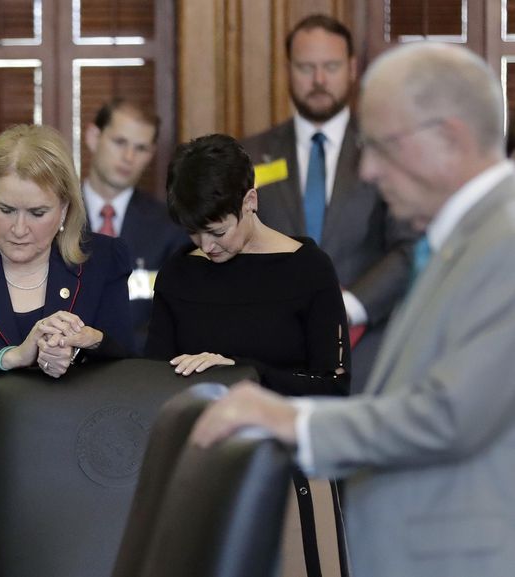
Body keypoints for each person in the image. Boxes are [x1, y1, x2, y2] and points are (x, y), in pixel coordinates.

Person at [191, 42, 515, 577]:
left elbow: (448, 415)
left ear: (449, 137)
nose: (366, 170)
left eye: (381, 146)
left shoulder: (503, 238)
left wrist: (292, 419)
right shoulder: (462, 236)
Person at [0, 124, 134, 575]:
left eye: (37, 212)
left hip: (72, 496)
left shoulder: (101, 262)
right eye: (5, 209)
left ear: (66, 208)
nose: (17, 229)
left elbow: (128, 360)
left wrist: (89, 343)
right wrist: (10, 356)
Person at [145, 133, 349, 576]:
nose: (207, 246)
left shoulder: (308, 269)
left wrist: (244, 374)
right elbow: (153, 380)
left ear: (250, 201)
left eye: (217, 231)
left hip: (293, 474)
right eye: (194, 233)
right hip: (201, 473)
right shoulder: (180, 274)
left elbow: (334, 389)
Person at [241, 14, 416, 393]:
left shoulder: (386, 150)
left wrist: (350, 305)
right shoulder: (251, 156)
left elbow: (409, 247)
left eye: (330, 67)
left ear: (352, 68)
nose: (319, 80)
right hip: (271, 361)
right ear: (287, 70)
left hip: (367, 354)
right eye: (306, 67)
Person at [83, 98, 190, 350]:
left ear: (151, 154)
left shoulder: (170, 228)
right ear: (93, 137)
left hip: (138, 371)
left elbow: (174, 320)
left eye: (140, 148)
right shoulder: (54, 217)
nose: (128, 157)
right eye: (119, 142)